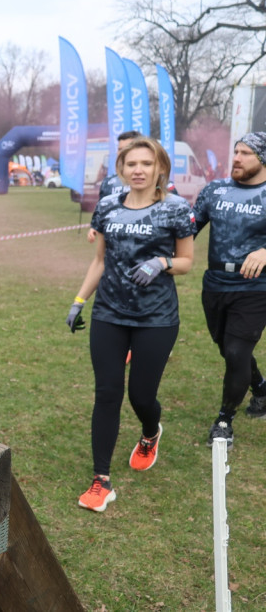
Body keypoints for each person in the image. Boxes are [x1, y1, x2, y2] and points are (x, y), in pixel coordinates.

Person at [67, 137, 195, 512]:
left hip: (156, 319)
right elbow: (100, 261)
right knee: (107, 393)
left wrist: (162, 263)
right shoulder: (107, 206)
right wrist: (79, 301)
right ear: (121, 168)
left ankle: (150, 432)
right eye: (131, 163)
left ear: (160, 169)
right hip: (109, 313)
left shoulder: (175, 209)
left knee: (141, 396)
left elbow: (187, 260)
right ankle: (101, 481)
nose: (138, 170)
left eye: (146, 163)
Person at [192, 132, 266, 447]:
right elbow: (188, 229)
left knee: (236, 352)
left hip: (255, 288)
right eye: (235, 151)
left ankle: (225, 420)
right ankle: (261, 388)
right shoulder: (215, 190)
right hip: (215, 284)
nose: (236, 158)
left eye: (246, 153)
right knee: (228, 350)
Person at [89, 131, 178, 243]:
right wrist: (94, 227)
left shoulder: (165, 186)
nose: (122, 152)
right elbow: (101, 212)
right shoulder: (108, 182)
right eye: (119, 149)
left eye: (126, 147)